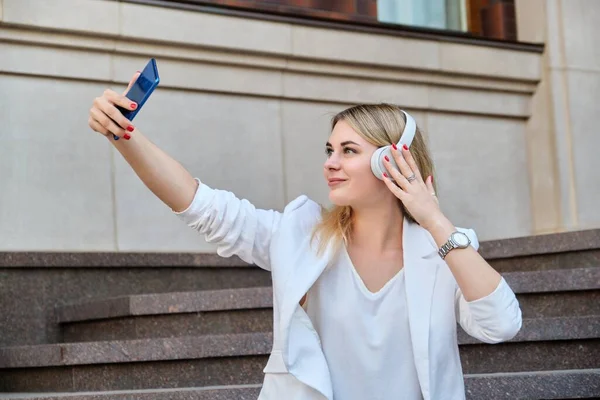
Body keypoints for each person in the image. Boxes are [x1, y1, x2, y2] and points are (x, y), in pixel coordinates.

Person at [88, 72, 522, 400]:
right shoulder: (302, 235)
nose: (331, 162)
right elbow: (204, 206)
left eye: (349, 151)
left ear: (394, 161)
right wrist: (124, 135)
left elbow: (501, 325)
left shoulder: (445, 251)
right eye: (329, 150)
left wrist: (434, 219)